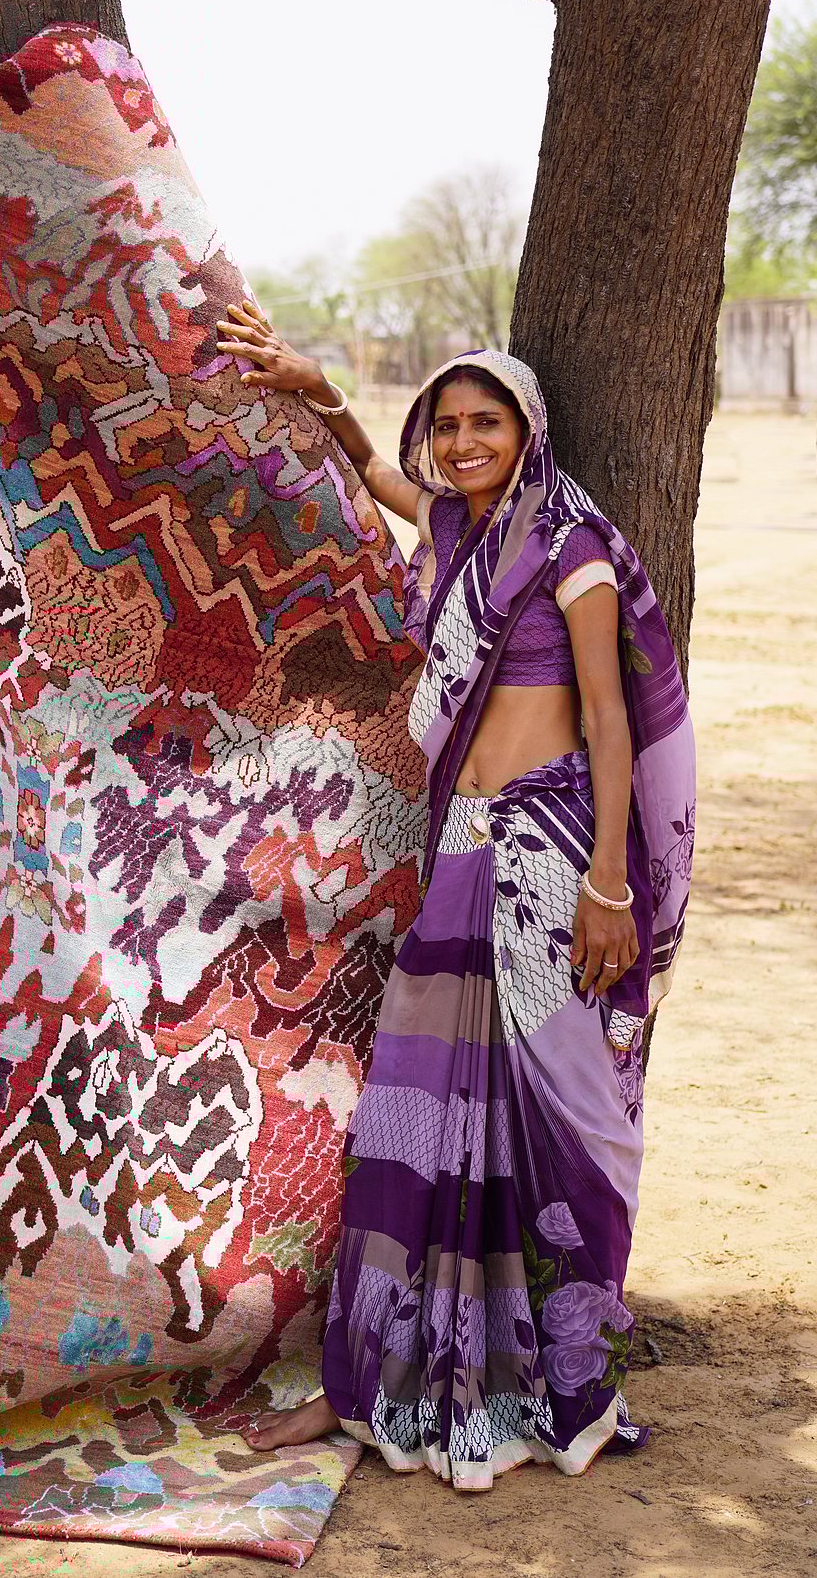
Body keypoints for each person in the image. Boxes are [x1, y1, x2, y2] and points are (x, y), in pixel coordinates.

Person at [214, 301, 695, 1491]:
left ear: (526, 431)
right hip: (462, 850)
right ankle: (384, 1373)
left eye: (487, 421)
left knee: (553, 1116)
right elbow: (380, 476)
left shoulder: (570, 548)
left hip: (549, 856)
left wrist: (609, 885)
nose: (464, 439)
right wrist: (314, 389)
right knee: (420, 1116)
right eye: (449, 422)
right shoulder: (454, 529)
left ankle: (557, 1370)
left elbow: (608, 719)